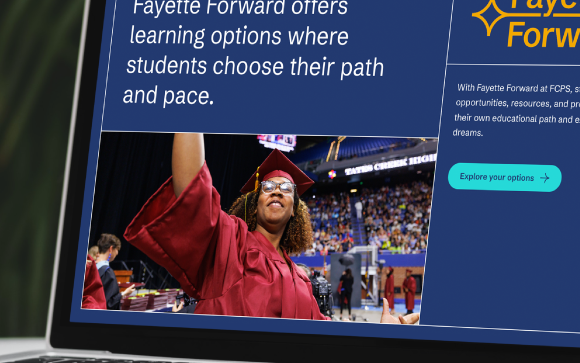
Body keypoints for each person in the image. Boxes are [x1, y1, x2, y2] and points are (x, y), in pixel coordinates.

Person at [125, 133, 419, 324]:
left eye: (286, 188)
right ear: (255, 201)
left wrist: (383, 330)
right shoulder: (230, 242)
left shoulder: (302, 280)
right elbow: (193, 191)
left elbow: (328, 337)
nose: (277, 191)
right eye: (268, 187)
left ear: (295, 209)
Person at [93, 233, 134, 310]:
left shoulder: (91, 267)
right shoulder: (107, 272)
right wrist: (124, 293)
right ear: (111, 249)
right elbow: (109, 303)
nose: (117, 253)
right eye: (117, 250)